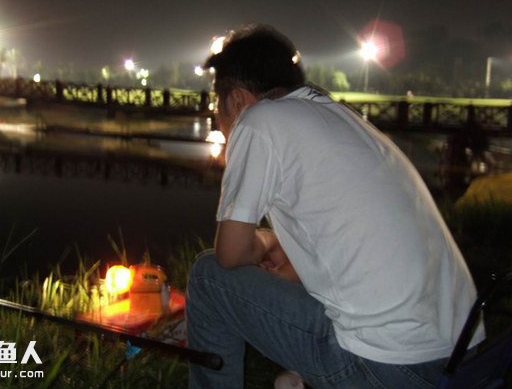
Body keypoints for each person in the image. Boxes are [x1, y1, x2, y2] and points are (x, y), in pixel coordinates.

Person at [186, 24, 484, 389]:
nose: (217, 118)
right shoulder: (340, 117)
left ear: (237, 100)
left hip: (388, 368)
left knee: (207, 277)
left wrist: (263, 240)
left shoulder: (258, 120)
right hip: (461, 357)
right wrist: (284, 248)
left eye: (216, 104)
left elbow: (230, 255)